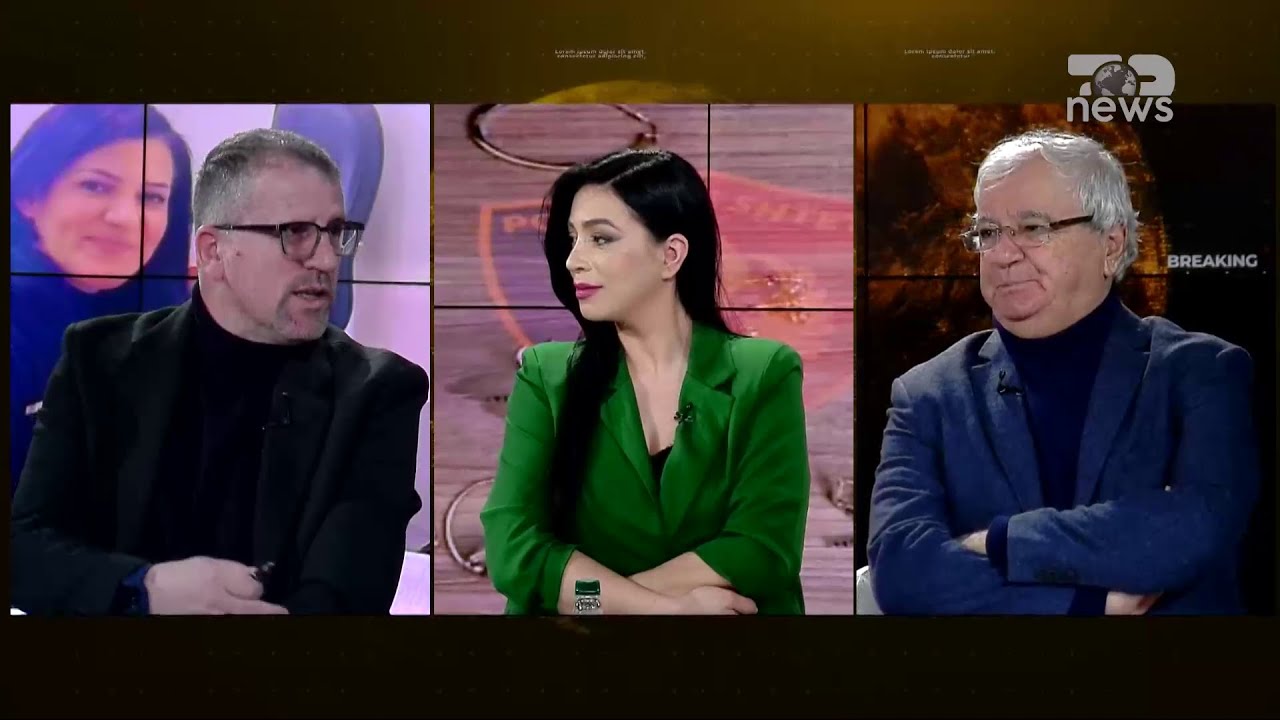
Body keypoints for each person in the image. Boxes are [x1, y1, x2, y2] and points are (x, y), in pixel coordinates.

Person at [10, 128, 429, 616]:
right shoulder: (97, 360)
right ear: (212, 251)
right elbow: (24, 550)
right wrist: (144, 588)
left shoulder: (379, 390)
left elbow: (345, 594)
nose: (327, 258)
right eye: (296, 233)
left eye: (336, 232)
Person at [866, 129, 1260, 615]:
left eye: (1033, 228)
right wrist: (1086, 603)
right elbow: (902, 571)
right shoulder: (927, 395)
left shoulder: (1201, 372)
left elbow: (1194, 528)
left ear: (1111, 244)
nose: (1003, 254)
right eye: (988, 232)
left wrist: (1000, 541)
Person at [480, 148, 811, 616]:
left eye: (600, 239)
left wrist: (596, 602)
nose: (573, 260)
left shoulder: (764, 371)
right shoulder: (546, 375)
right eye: (573, 238)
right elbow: (515, 548)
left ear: (670, 255)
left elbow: (762, 545)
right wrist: (660, 611)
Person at [10, 104, 194, 494]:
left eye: (151, 197)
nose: (124, 217)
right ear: (30, 196)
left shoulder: (161, 317)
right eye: (95, 186)